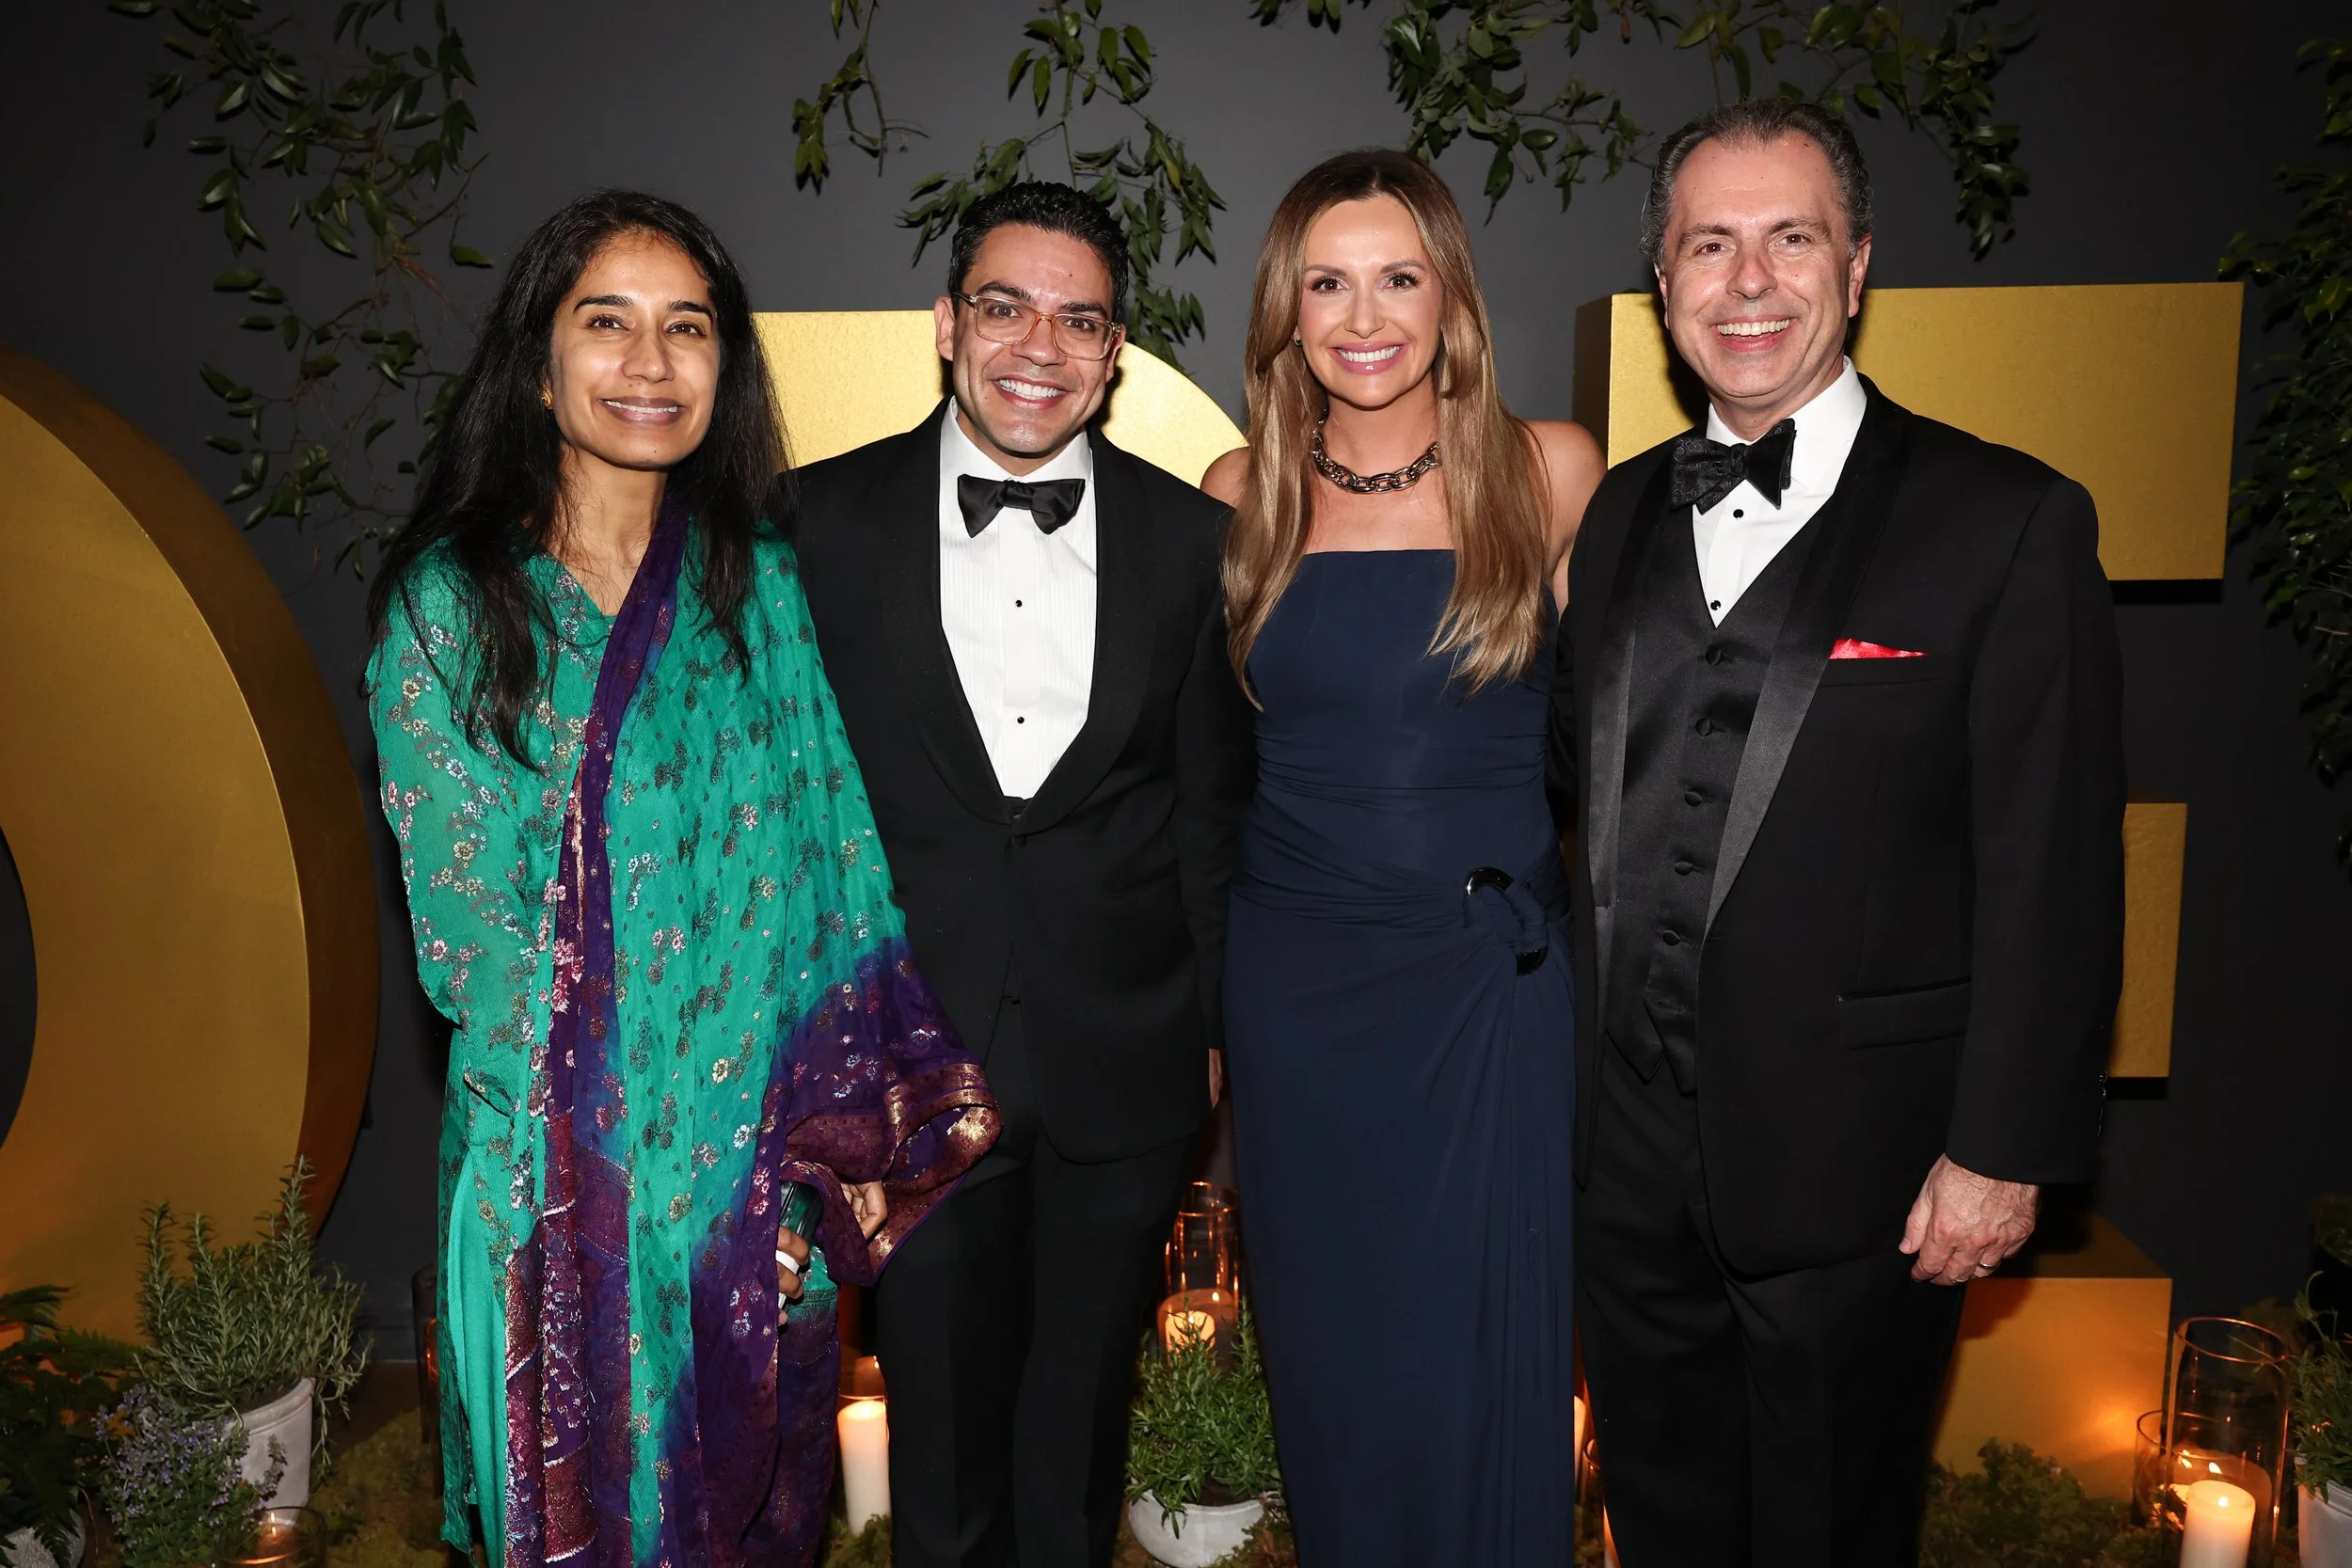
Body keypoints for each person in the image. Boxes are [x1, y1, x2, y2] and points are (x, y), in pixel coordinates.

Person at [366, 190, 998, 1568]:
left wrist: (776, 1196)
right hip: (552, 1195)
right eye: (608, 322)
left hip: (745, 1214)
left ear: (727, 367)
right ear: (539, 363)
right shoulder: (452, 606)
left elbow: (819, 911)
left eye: (686, 328)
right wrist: (670, 1193)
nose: (649, 362)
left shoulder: (758, 596)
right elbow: (480, 948)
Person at [1553, 100, 2126, 1565]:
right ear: (1663, 286)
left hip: (1868, 1182)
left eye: (1789, 239)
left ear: (1858, 265)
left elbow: (2053, 866)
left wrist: (2003, 1150)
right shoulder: (1616, 513)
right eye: (1709, 245)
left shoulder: (2006, 518)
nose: (1748, 283)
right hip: (1626, 1171)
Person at [788, 182, 1256, 1568]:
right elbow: (789, 815)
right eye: (1005, 306)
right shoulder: (815, 522)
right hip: (908, 1068)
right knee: (938, 1449)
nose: (1038, 345)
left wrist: (1216, 1029)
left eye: (1079, 318)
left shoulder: (1196, 544)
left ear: (1115, 354)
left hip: (1127, 1066)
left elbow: (1211, 814)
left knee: (1076, 1437)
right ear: (947, 324)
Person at [1200, 149, 1602, 1568]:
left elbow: (1616, 756)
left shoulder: (1550, 472)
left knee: (1485, 1347)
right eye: (1327, 281)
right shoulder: (1239, 486)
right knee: (1335, 1345)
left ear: (1450, 297)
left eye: (1397, 277)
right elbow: (1210, 770)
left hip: (1485, 984)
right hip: (1297, 988)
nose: (1363, 315)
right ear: (1285, 311)